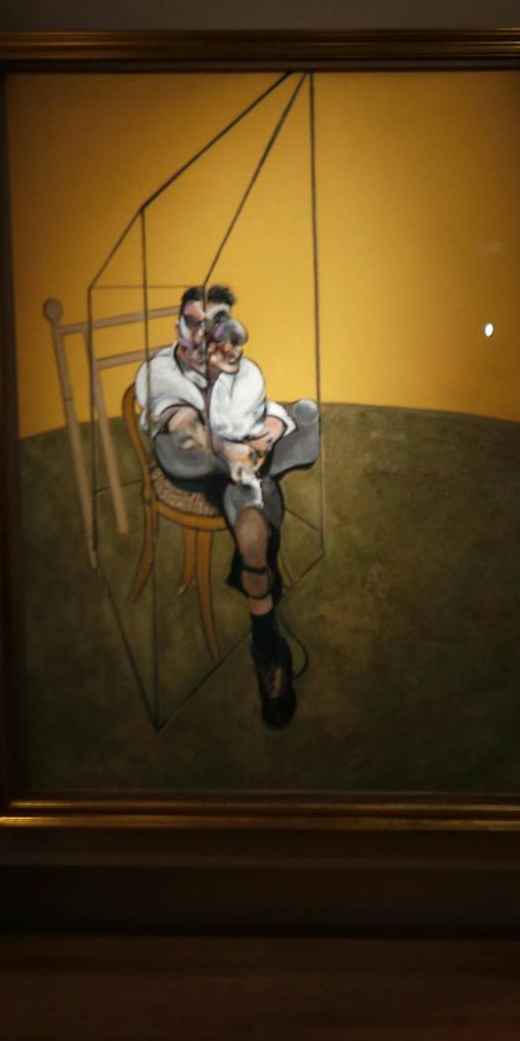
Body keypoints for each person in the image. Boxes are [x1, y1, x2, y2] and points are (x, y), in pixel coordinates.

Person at [134, 284, 321, 727]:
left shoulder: (241, 370)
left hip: (239, 472)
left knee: (257, 496)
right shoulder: (159, 370)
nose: (203, 335)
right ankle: (269, 641)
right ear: (178, 326)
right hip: (194, 466)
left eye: (214, 324)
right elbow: (181, 426)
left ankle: (266, 640)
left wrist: (272, 428)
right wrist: (230, 450)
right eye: (193, 322)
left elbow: (256, 412)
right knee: (198, 453)